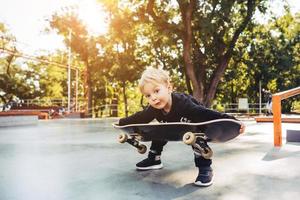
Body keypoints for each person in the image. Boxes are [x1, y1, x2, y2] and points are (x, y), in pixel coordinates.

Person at [118, 67, 245, 187]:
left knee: (197, 139)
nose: (154, 98)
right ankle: (154, 159)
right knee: (158, 130)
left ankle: (205, 168)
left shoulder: (184, 104)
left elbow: (206, 113)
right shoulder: (154, 108)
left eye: (156, 91)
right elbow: (140, 117)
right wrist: (122, 122)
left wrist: (232, 121)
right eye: (148, 95)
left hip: (194, 124)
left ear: (169, 88)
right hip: (172, 127)